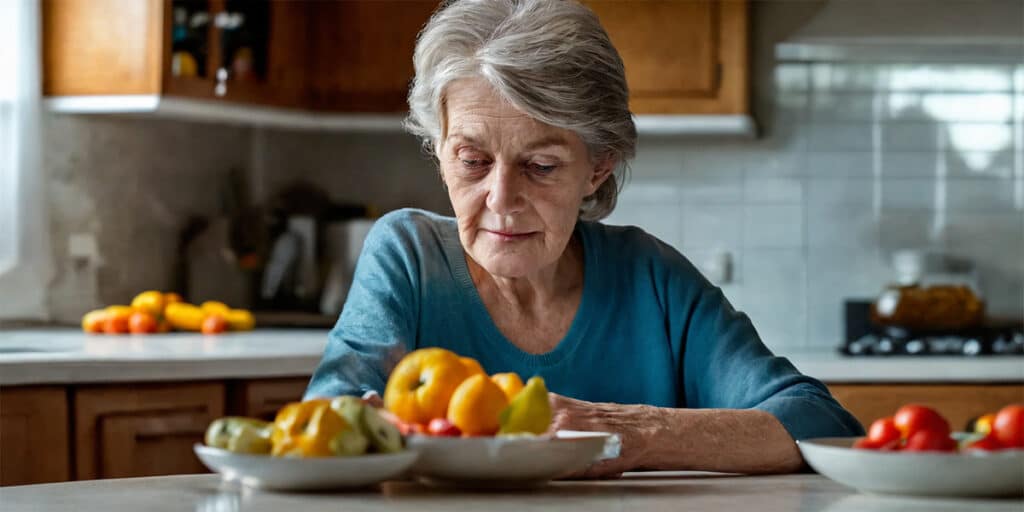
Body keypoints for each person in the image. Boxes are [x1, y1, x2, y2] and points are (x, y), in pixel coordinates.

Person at [306, 0, 863, 477]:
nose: (501, 198)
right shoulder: (408, 255)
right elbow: (323, 424)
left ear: (597, 166)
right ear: (441, 151)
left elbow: (820, 423)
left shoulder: (649, 277)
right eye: (472, 161)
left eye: (541, 166)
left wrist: (632, 430)